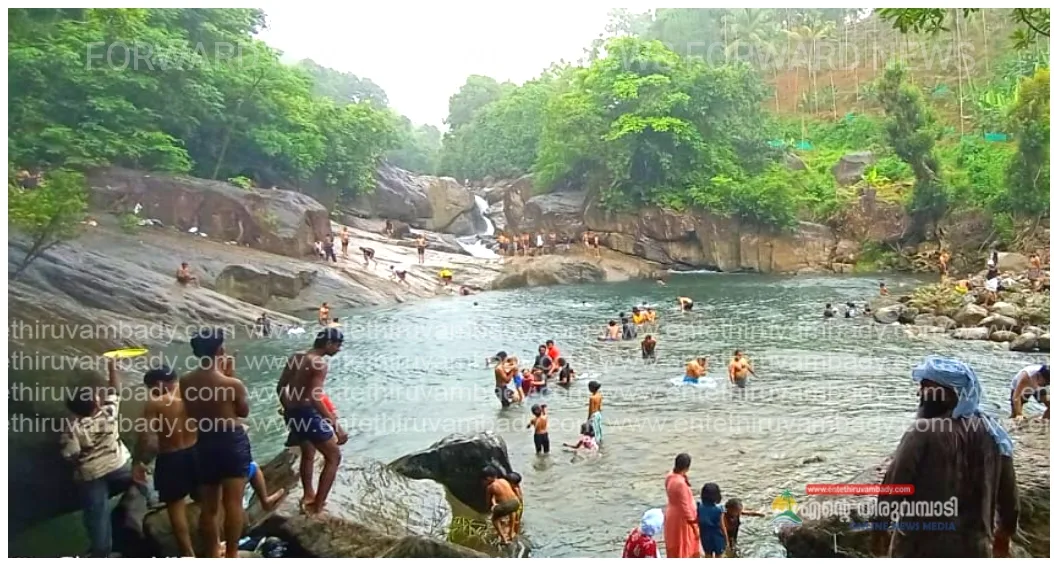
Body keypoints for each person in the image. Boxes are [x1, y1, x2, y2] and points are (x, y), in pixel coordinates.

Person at [871, 356, 1017, 557]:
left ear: (949, 394)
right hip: (976, 548)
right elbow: (1008, 494)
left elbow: (894, 487)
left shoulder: (921, 431)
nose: (919, 393)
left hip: (920, 548)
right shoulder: (993, 432)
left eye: (925, 387)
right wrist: (1004, 534)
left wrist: (879, 528)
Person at [179, 329, 251, 558]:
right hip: (231, 441)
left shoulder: (185, 381)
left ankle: (211, 554)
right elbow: (243, 412)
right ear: (220, 350)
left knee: (209, 507)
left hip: (205, 441)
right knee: (233, 504)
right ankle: (231, 554)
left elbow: (191, 414)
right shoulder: (232, 384)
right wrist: (230, 375)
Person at [60, 357, 137, 557]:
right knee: (143, 474)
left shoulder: (72, 430)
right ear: (96, 403)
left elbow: (71, 456)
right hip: (118, 466)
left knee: (97, 516)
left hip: (91, 475)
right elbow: (115, 390)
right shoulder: (108, 413)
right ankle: (152, 499)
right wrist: (112, 366)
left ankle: (102, 552)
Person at [275, 328, 348, 515]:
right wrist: (336, 427)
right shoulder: (319, 364)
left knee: (308, 453)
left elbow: (281, 386)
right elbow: (316, 397)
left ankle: (308, 493)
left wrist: (288, 408)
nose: (339, 349)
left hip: (293, 412)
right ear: (328, 343)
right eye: (337, 345)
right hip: (307, 413)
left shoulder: (296, 357)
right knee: (334, 457)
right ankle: (317, 506)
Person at [131, 365, 199, 556]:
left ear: (160, 383)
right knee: (207, 501)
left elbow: (146, 437)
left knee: (176, 509)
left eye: (151, 388)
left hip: (171, 458)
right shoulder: (193, 392)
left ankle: (188, 554)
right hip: (196, 452)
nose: (151, 393)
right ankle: (215, 544)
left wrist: (138, 462)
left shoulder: (156, 403)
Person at [664, 453, 700, 558]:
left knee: (674, 543)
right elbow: (685, 508)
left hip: (672, 514)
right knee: (683, 545)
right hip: (681, 520)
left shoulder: (670, 476)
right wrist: (694, 526)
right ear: (687, 467)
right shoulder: (680, 484)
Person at [483, 466, 520, 544]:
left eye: (485, 479)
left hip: (507, 505)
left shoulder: (490, 487)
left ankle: (503, 538)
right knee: (512, 512)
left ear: (488, 478)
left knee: (494, 519)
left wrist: (489, 509)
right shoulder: (503, 480)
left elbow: (488, 501)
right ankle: (511, 533)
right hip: (516, 502)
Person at [697, 483, 728, 558]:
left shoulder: (699, 506)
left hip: (705, 535)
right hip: (717, 536)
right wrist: (726, 539)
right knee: (719, 555)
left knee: (707, 554)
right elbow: (722, 526)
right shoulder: (720, 509)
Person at [587, 380, 603, 444]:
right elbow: (600, 407)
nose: (589, 389)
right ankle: (600, 440)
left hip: (593, 415)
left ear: (592, 388)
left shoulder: (592, 398)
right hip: (598, 414)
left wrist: (588, 418)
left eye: (589, 387)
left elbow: (591, 409)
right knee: (599, 427)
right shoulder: (600, 395)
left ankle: (595, 442)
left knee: (593, 429)